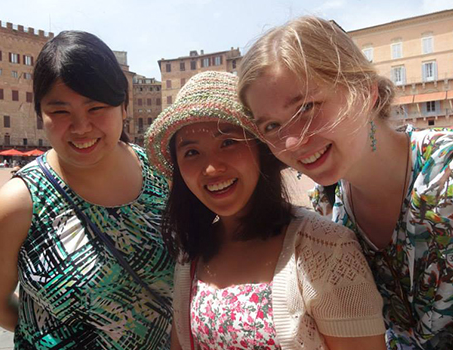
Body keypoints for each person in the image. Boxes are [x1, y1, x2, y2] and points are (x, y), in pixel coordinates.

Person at [237, 16, 453, 349]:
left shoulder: (446, 172)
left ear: (365, 92)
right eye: (271, 127)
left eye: (307, 107)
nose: (291, 142)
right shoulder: (328, 207)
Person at [145, 71, 386, 350]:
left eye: (228, 143)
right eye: (191, 153)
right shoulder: (192, 254)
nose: (211, 168)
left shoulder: (327, 249)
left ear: (261, 149)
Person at [0, 30, 174, 349]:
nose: (81, 127)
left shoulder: (164, 174)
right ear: (41, 115)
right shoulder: (19, 202)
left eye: (96, 109)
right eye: (61, 111)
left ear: (123, 106)